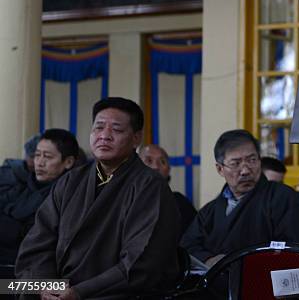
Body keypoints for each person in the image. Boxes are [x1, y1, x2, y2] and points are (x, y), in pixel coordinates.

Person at [16, 97, 181, 299]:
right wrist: (44, 287)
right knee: (7, 286)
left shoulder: (150, 186)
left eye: (117, 130)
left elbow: (141, 262)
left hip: (108, 293)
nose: (104, 136)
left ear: (136, 138)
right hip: (56, 290)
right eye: (98, 128)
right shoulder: (70, 181)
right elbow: (38, 242)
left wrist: (79, 292)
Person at [181, 129, 299, 270]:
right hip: (217, 287)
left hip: (264, 285)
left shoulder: (281, 197)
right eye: (235, 163)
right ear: (220, 169)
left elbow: (296, 247)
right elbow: (187, 247)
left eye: (252, 160)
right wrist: (209, 259)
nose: (245, 171)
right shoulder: (209, 212)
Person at [0, 129, 77, 265]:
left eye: (47, 156)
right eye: (37, 155)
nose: (39, 163)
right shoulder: (25, 186)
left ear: (68, 162)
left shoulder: (69, 197)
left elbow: (36, 238)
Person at [139, 143, 197, 236]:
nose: (156, 167)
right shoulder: (124, 202)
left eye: (162, 161)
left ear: (168, 169)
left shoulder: (180, 203)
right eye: (149, 160)